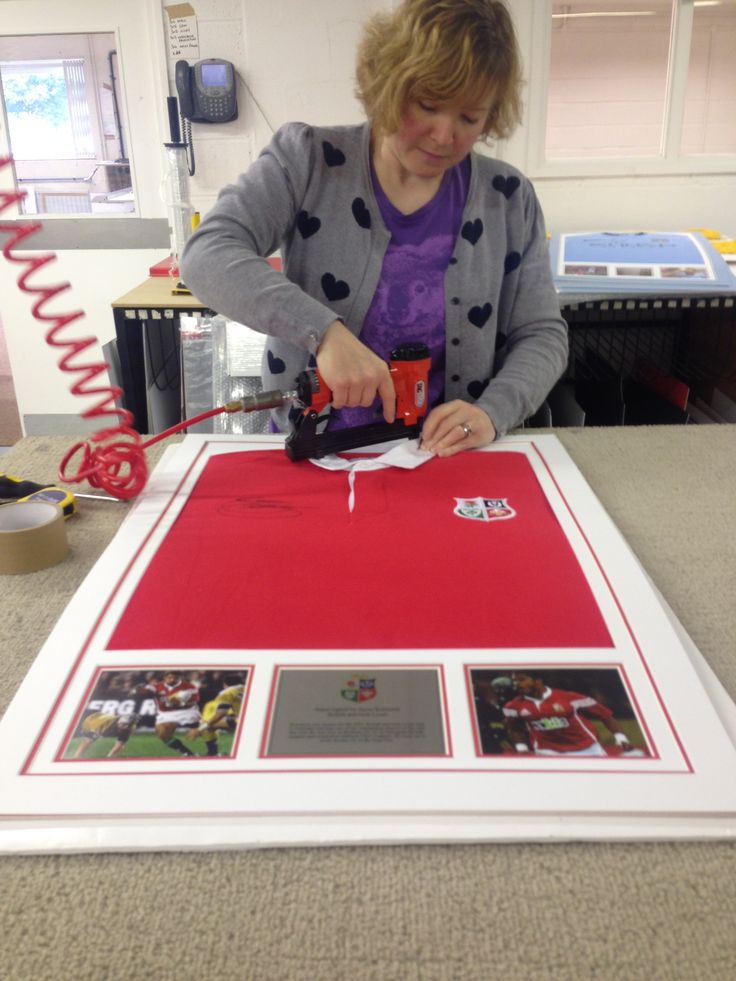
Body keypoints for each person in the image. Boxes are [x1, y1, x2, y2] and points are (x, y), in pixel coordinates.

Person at [181, 0, 568, 453]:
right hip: (314, 450)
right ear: (388, 85)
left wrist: (493, 411)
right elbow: (207, 253)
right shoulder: (307, 160)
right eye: (427, 105)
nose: (445, 136)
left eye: (469, 117)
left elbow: (542, 333)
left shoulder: (507, 197)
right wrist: (322, 332)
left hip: (448, 457)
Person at [502, 671, 638, 757]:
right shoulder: (513, 706)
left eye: (521, 679)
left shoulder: (570, 698)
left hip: (587, 748)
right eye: (514, 681)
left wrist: (621, 738)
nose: (517, 684)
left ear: (538, 680)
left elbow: (605, 715)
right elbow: (514, 728)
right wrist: (522, 748)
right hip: (548, 751)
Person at [131, 670, 201, 758]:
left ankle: (212, 750)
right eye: (170, 677)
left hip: (186, 711)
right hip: (165, 714)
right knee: (162, 734)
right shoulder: (157, 686)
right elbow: (143, 690)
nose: (172, 680)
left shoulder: (190, 687)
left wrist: (180, 703)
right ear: (164, 678)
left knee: (204, 730)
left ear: (180, 678)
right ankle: (188, 753)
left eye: (176, 678)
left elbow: (193, 702)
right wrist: (138, 690)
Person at [193, 683, 245, 757]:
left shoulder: (227, 695)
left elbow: (222, 714)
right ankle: (214, 753)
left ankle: (213, 753)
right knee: (208, 725)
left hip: (240, 720)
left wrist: (200, 729)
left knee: (206, 726)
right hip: (240, 719)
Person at [72, 711, 137, 759]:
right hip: (88, 722)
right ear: (118, 721)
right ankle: (76, 756)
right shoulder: (105, 723)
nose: (124, 727)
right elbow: (87, 740)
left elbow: (119, 745)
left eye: (128, 725)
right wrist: (77, 755)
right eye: (122, 724)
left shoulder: (129, 729)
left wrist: (109, 757)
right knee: (85, 738)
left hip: (99, 721)